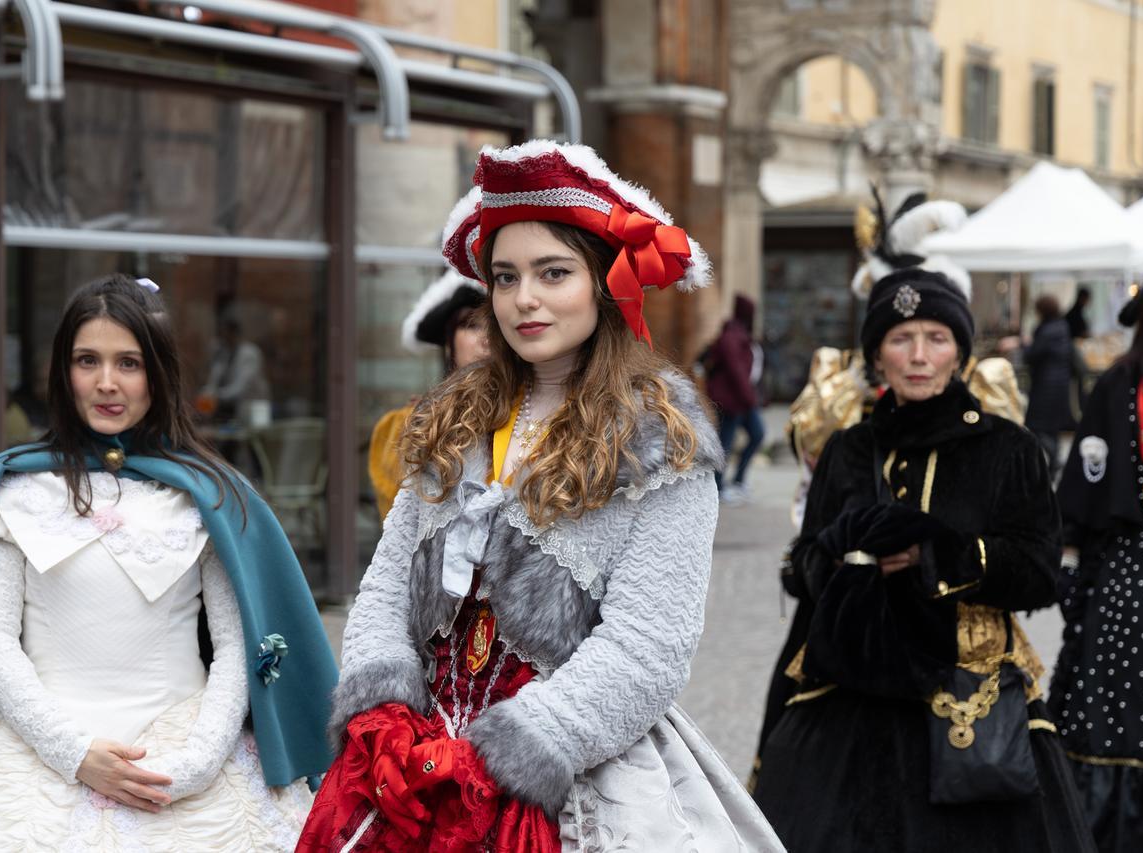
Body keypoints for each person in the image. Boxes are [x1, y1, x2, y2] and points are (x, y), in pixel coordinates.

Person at [296, 141, 784, 851]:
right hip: (413, 764)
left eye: (553, 273)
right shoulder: (451, 419)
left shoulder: (661, 441)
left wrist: (508, 750)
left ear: (606, 282)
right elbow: (386, 584)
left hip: (567, 771)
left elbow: (646, 649)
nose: (524, 298)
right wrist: (383, 712)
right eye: (505, 277)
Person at [0, 274, 337, 851]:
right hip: (36, 746)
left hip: (184, 750)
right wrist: (73, 752)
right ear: (63, 371)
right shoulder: (13, 489)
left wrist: (193, 765)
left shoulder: (209, 495)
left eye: (129, 363)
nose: (107, 383)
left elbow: (239, 644)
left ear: (158, 373)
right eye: (87, 360)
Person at [752, 266, 1096, 852]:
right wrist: (836, 564)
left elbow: (1040, 571)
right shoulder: (848, 448)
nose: (918, 356)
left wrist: (939, 557)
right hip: (849, 696)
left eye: (935, 339)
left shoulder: (1008, 448)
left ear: (959, 352)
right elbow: (803, 560)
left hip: (968, 695)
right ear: (877, 355)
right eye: (900, 339)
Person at [1049, 300, 1143, 852]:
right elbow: (1084, 492)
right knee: (1113, 712)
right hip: (1126, 573)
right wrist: (1068, 569)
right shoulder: (1119, 386)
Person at [368, 269, 489, 520]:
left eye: (498, 324)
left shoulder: (541, 415)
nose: (487, 339)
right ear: (448, 340)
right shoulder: (408, 424)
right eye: (471, 324)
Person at [703, 294, 766, 506]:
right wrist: (750, 398)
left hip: (743, 399)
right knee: (725, 444)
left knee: (757, 434)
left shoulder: (742, 334)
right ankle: (718, 488)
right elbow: (736, 371)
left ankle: (738, 480)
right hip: (733, 400)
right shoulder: (732, 336)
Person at [1021, 294, 1076, 477]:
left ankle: (1054, 460)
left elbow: (1032, 355)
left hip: (1045, 384)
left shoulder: (1046, 331)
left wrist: (1025, 343)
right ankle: (1053, 464)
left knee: (1036, 425)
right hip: (1060, 383)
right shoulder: (1062, 327)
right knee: (1051, 427)